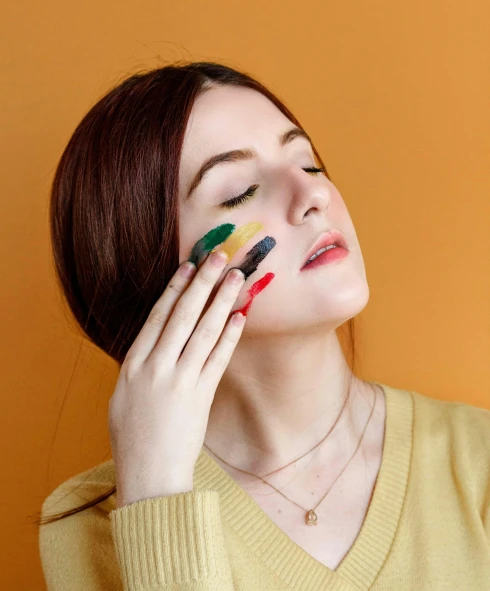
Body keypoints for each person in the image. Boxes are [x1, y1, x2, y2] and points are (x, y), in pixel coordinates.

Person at [36, 62, 490, 590]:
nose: (313, 195)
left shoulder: (477, 463)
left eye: (309, 164)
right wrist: (155, 497)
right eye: (239, 192)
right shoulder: (87, 523)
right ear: (145, 269)